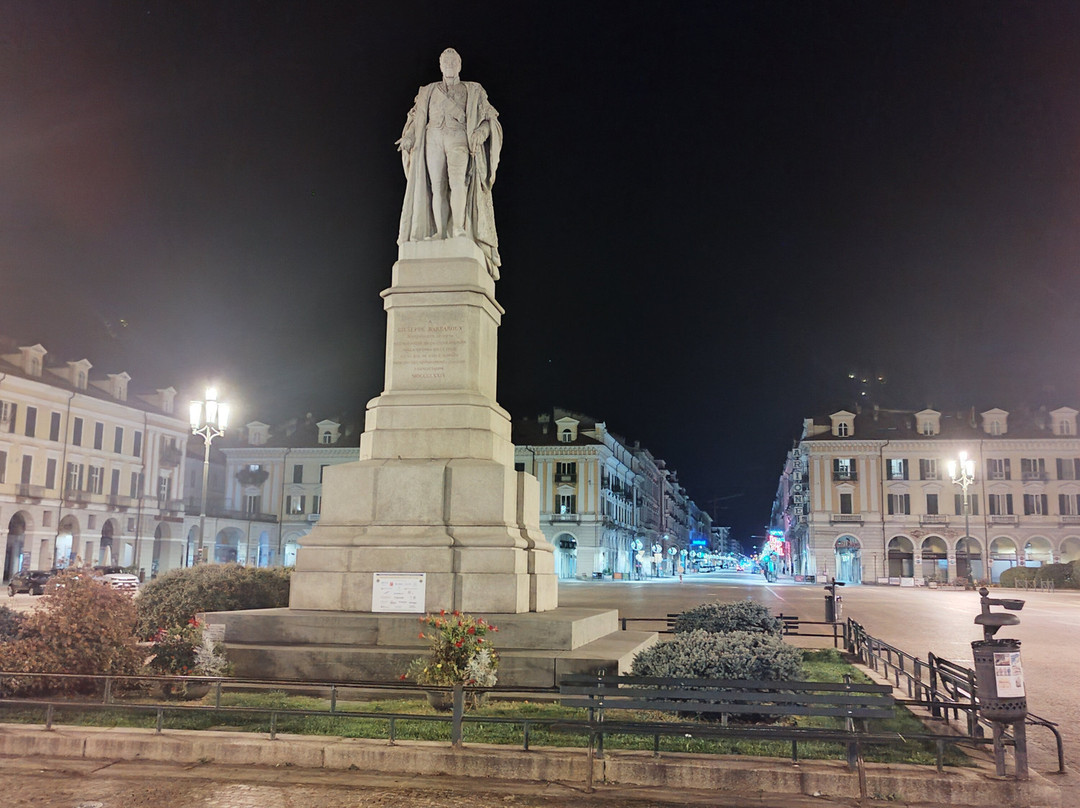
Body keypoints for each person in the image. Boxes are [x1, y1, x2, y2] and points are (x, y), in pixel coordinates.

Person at [397, 48, 503, 278]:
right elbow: (416, 119)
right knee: (436, 187)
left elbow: (490, 120)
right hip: (433, 137)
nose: (450, 64)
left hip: (458, 138)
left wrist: (480, 134)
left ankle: (458, 229)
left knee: (457, 183)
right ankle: (439, 232)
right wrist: (409, 137)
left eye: (454, 61)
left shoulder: (473, 90)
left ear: (460, 65)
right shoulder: (427, 92)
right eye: (446, 61)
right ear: (440, 65)